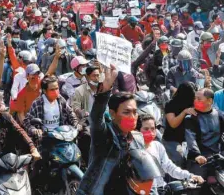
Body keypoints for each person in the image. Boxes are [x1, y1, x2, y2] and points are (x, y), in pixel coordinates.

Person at [77, 67, 160, 195]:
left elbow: (146, 176)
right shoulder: (105, 135)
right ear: (113, 114)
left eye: (134, 112)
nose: (132, 117)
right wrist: (104, 91)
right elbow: (96, 118)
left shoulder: (137, 139)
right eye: (126, 112)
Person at [137, 114, 204, 194]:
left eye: (153, 128)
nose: (150, 132)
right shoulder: (132, 150)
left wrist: (190, 176)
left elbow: (169, 167)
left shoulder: (157, 146)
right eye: (146, 129)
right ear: (137, 131)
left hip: (161, 189)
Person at [185, 88, 224, 179]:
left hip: (218, 155)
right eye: (195, 98)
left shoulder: (220, 115)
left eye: (199, 99)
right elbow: (191, 139)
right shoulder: (191, 118)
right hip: (200, 157)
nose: (195, 101)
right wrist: (197, 155)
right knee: (197, 183)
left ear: (209, 101)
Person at [162, 82, 197, 167]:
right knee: (178, 162)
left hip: (187, 140)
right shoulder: (171, 104)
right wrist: (184, 112)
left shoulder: (193, 104)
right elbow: (173, 124)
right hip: (172, 140)